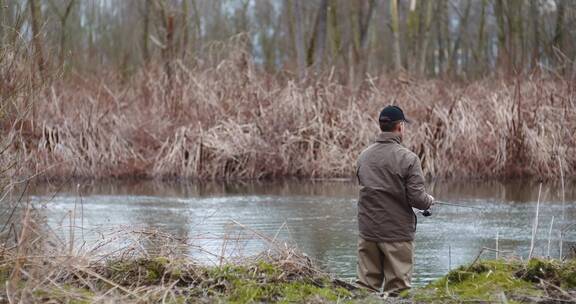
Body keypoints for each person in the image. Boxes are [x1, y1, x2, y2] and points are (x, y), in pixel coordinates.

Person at [355, 105, 434, 296]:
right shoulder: (409, 158)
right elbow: (418, 199)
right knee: (398, 291)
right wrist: (429, 200)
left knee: (365, 288)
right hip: (397, 235)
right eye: (404, 125)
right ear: (399, 127)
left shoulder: (363, 156)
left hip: (368, 232)